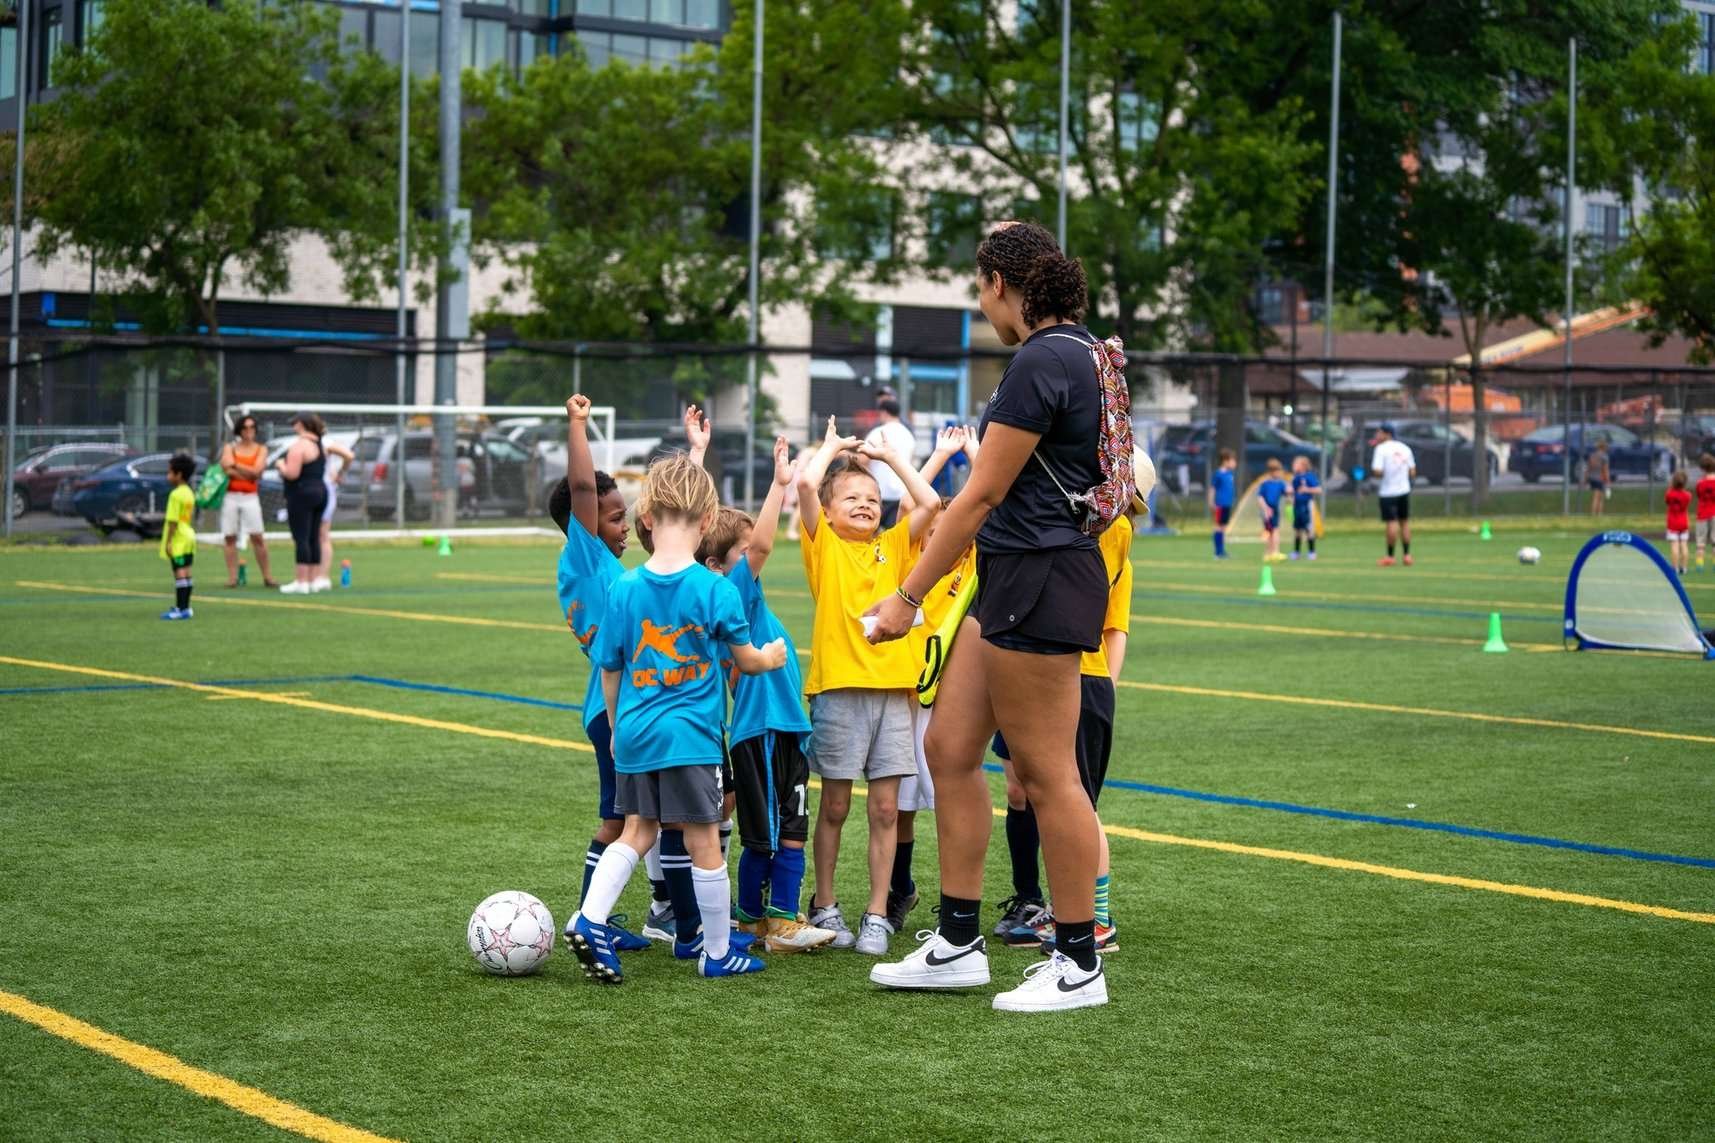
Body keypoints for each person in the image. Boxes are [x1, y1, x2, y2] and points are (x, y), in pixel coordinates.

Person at [864, 220, 1114, 1013]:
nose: (981, 304)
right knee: (948, 743)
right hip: (1015, 573)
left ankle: (1077, 963)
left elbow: (979, 494)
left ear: (1003, 285)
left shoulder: (1043, 356)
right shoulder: (1083, 351)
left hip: (1037, 573)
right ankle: (959, 941)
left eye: (980, 287)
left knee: (1045, 773)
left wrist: (906, 597)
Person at [566, 454, 787, 983]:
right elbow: (745, 658)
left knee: (637, 830)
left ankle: (590, 919)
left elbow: (611, 670)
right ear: (708, 521)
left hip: (637, 731)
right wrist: (772, 656)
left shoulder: (623, 587)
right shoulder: (714, 589)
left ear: (645, 517)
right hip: (691, 737)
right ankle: (715, 952)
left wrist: (619, 730)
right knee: (703, 839)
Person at [552, 397, 701, 955]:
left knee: (636, 820)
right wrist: (577, 424)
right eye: (615, 517)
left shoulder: (610, 568)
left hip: (624, 704)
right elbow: (585, 491)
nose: (623, 526)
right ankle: (615, 921)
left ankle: (640, 919)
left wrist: (694, 454)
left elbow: (681, 522)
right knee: (633, 822)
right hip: (620, 708)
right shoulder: (585, 557)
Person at [797, 414, 944, 957]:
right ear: (829, 514)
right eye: (851, 498)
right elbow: (806, 484)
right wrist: (831, 446)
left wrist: (891, 462)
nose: (864, 503)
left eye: (871, 497)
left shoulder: (894, 547)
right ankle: (826, 904)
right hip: (839, 692)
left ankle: (878, 913)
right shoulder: (825, 548)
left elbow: (928, 505)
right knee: (834, 806)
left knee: (885, 810)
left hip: (894, 696)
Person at [695, 443, 837, 954]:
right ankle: (775, 922)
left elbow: (751, 547)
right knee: (778, 831)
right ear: (717, 565)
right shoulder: (732, 594)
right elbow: (760, 548)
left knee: (777, 828)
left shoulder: (734, 601)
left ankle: (759, 918)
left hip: (779, 730)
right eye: (740, 552)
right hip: (766, 731)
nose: (751, 556)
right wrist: (779, 485)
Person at [995, 501, 1133, 956]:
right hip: (1048, 673)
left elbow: (1115, 629)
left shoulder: (1111, 533)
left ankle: (1097, 917)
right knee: (1051, 796)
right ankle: (1067, 909)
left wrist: (1103, 686)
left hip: (1075, 677)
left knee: (1076, 803)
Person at [891, 425, 980, 934]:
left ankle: (957, 896)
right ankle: (902, 887)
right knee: (902, 801)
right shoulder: (912, 559)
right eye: (937, 525)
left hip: (949, 699)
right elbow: (909, 506)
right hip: (903, 691)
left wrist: (973, 453)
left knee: (948, 796)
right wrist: (942, 454)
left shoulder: (972, 565)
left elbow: (993, 500)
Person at [218, 415, 278, 588]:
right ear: (239, 430)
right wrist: (246, 472)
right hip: (231, 495)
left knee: (257, 536)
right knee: (230, 536)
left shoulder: (261, 449)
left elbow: (257, 472)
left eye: (252, 427)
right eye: (245, 428)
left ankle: (267, 576)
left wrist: (236, 466)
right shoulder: (230, 447)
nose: (249, 431)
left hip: (250, 496)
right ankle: (232, 577)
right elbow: (226, 469)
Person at [275, 413, 328, 594]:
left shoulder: (299, 446)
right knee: (314, 536)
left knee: (301, 537)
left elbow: (292, 474)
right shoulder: (319, 444)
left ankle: (301, 581)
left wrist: (280, 465)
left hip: (302, 493)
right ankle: (313, 580)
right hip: (321, 491)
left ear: (301, 425)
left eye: (295, 424)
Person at [861, 397, 918, 529]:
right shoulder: (908, 435)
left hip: (879, 491)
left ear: (884, 413)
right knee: (894, 534)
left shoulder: (877, 432)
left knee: (869, 531)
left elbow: (863, 459)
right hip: (901, 492)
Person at [313, 424, 356, 593]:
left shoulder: (325, 443)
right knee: (311, 535)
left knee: (322, 533)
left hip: (324, 490)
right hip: (309, 490)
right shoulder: (303, 444)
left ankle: (322, 576)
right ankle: (311, 575)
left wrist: (339, 473)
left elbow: (349, 455)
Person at [159, 454, 199, 621]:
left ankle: (181, 609)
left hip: (179, 538)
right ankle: (186, 607)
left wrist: (168, 542)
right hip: (189, 534)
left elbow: (172, 521)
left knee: (179, 572)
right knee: (187, 571)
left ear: (179, 474)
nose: (167, 476)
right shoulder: (189, 492)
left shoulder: (175, 495)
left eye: (170, 472)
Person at [1371, 422, 1417, 567]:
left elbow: (1377, 471)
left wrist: (1386, 473)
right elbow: (1412, 471)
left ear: (1387, 434)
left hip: (1388, 492)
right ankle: (1407, 555)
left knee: (1391, 522)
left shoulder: (1381, 449)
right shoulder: (1405, 448)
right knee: (1404, 522)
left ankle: (1390, 556)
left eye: (1379, 433)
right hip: (1404, 490)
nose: (1377, 435)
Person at [1290, 455, 1322, 560]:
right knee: (1297, 530)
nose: (1293, 466)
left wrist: (1307, 489)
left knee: (1308, 529)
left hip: (1307, 505)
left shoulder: (1309, 476)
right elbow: (1293, 491)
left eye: (1296, 464)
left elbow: (1318, 490)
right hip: (1297, 506)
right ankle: (1296, 552)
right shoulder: (1295, 478)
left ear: (1303, 466)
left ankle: (1312, 552)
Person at [1257, 458, 1288, 562]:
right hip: (1269, 510)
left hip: (1274, 510)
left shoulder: (1281, 483)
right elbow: (1260, 497)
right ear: (1271, 472)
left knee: (1272, 531)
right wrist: (1265, 508)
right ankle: (1273, 552)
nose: (1279, 473)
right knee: (1272, 531)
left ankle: (1271, 553)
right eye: (1277, 471)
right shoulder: (1265, 484)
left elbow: (1288, 493)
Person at [1209, 448, 1236, 559]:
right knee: (1218, 527)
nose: (1234, 463)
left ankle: (1222, 551)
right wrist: (1211, 502)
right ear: (1225, 461)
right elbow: (1212, 489)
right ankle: (1217, 552)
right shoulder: (1218, 474)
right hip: (1220, 504)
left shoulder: (1230, 474)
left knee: (1224, 527)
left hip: (1227, 505)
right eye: (1233, 460)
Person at [1666, 470, 1691, 575]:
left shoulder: (1669, 494)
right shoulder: (1687, 495)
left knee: (1674, 546)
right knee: (1684, 545)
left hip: (1672, 523)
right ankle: (1684, 567)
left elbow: (1667, 502)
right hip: (1683, 522)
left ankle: (1674, 567)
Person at [1695, 454, 1715, 571]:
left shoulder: (1700, 483)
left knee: (1700, 542)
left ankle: (1699, 565)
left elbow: (1699, 495)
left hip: (1702, 514)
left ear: (1703, 468)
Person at [1588, 437, 1611, 517]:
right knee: (1600, 498)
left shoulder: (1593, 455)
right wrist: (1607, 480)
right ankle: (1599, 514)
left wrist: (1586, 478)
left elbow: (1589, 467)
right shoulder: (1604, 456)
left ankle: (1593, 513)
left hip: (1592, 477)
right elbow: (1605, 469)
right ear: (1604, 447)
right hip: (1600, 478)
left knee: (1594, 497)